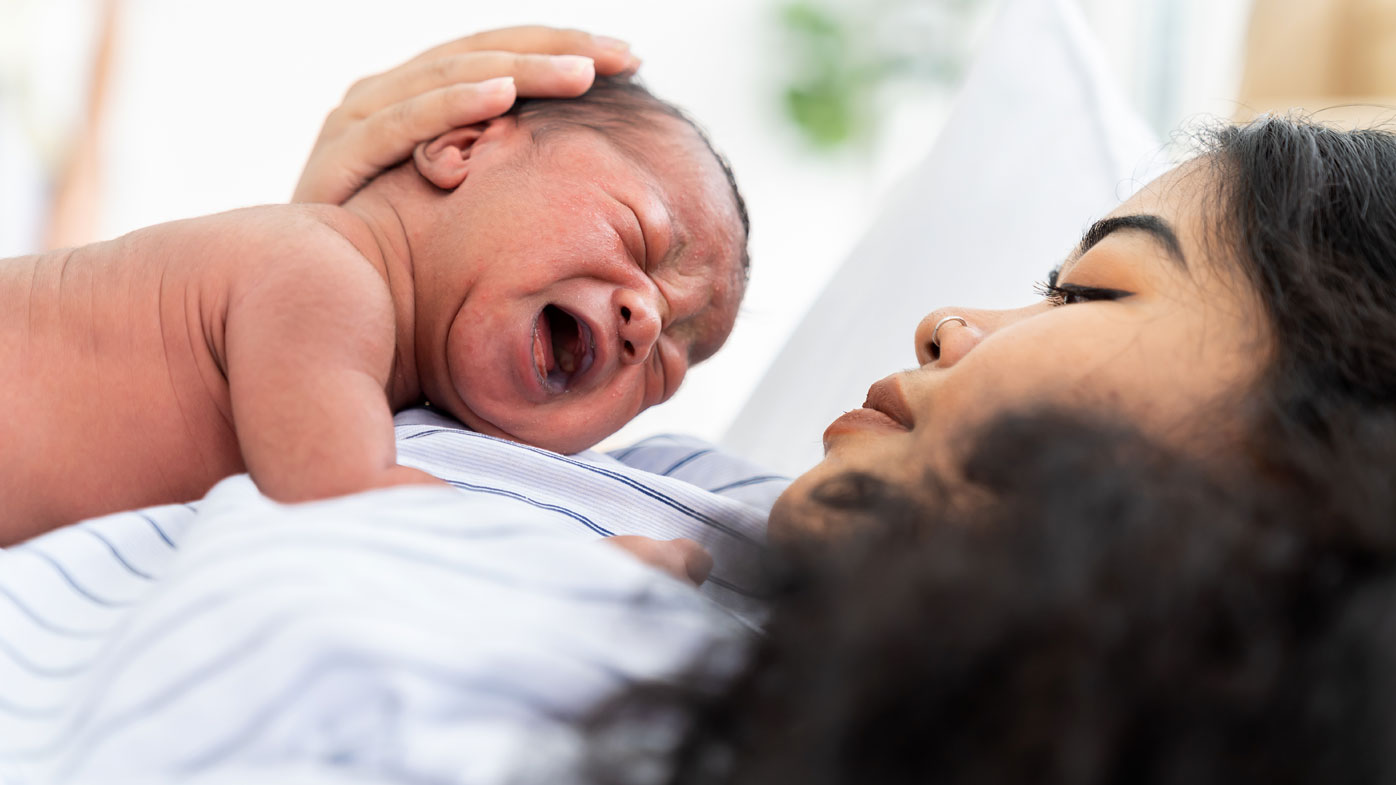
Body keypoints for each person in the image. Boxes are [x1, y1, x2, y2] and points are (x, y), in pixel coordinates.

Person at [0, 70, 749, 544]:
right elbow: (349, 504)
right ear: (460, 146)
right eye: (643, 235)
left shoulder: (378, 394)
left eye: (667, 366)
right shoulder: (324, 274)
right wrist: (588, 568)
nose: (647, 324)